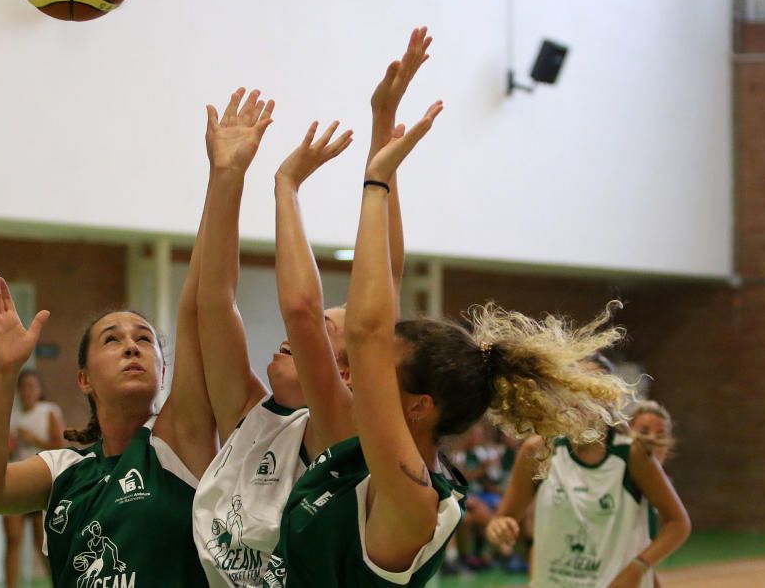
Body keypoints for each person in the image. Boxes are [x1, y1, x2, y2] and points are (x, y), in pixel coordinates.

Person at [262, 77, 635, 587]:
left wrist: (375, 181)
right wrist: (379, 139)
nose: (352, 366)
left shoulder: (414, 498)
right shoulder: (360, 442)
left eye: (378, 366)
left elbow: (369, 329)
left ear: (419, 405)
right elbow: (376, 289)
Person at [193, 28, 430, 587]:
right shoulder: (249, 416)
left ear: (349, 371)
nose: (291, 335)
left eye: (322, 333)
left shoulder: (347, 432)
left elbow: (378, 283)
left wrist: (287, 185)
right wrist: (227, 178)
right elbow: (213, 300)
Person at [0, 231, 217, 584]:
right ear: (84, 379)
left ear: (162, 373)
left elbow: (201, 302)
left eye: (143, 338)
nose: (131, 346)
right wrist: (4, 372)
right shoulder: (64, 471)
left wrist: (222, 180)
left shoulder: (181, 442)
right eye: (112, 339)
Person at [486, 360, 691, 588]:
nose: (579, 397)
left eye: (589, 389)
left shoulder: (631, 454)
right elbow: (503, 517)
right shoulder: (537, 450)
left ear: (608, 397)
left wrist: (639, 567)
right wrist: (500, 527)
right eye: (572, 387)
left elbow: (678, 522)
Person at [2, 369, 64, 588]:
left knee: (42, 543)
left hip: (41, 483)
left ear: (40, 390)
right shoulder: (12, 416)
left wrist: (34, 438)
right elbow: (5, 453)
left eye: (32, 386)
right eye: (23, 386)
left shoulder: (49, 411)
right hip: (16, 482)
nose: (27, 391)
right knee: (13, 539)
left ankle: (57, 583)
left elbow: (61, 447)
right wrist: (9, 446)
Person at [630, 399, 676, 588]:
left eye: (660, 434)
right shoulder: (620, 478)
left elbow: (643, 552)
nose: (652, 439)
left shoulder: (660, 486)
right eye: (643, 431)